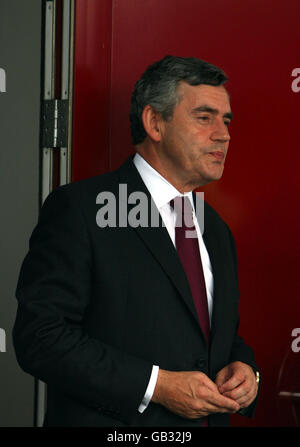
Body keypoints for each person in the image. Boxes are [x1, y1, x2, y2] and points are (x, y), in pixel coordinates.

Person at [13, 55, 260, 427]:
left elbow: (208, 335)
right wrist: (156, 386)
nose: (223, 133)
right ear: (154, 122)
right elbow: (41, 337)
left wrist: (244, 370)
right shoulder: (81, 209)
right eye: (205, 117)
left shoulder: (216, 230)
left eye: (226, 120)